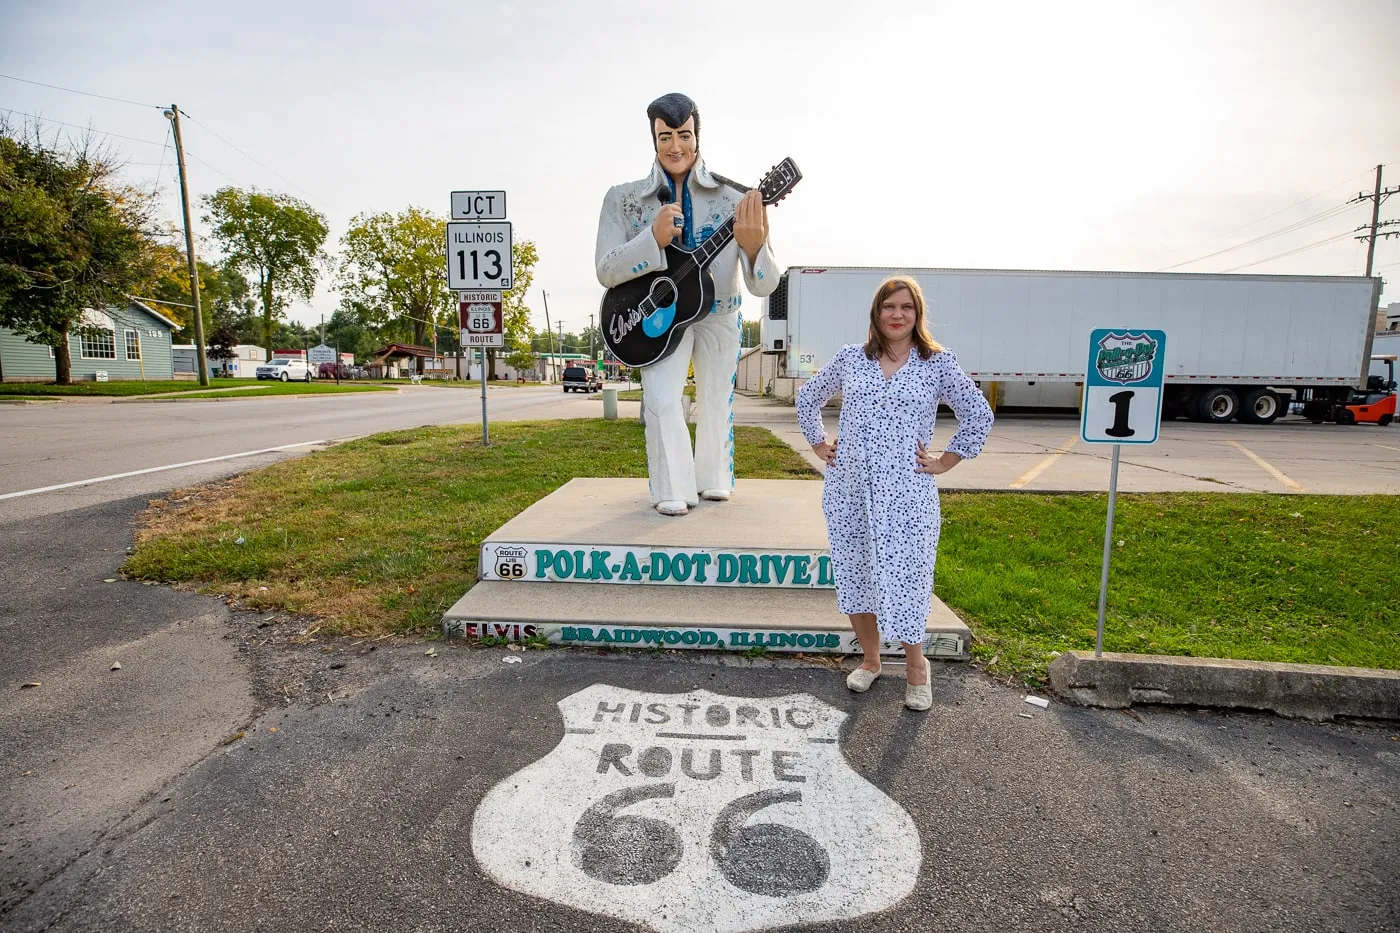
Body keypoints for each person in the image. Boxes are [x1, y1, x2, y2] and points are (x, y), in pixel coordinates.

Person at [795, 276, 994, 711]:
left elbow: (978, 415)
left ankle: (916, 669)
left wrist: (945, 461)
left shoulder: (937, 364)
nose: (898, 314)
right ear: (877, 313)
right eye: (890, 307)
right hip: (850, 489)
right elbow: (808, 398)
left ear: (917, 314)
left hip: (908, 494)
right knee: (856, 574)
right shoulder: (852, 359)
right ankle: (870, 660)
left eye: (906, 307)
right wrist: (818, 443)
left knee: (909, 578)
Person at [595, 92, 779, 516]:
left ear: (697, 136)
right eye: (665, 137)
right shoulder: (623, 200)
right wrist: (651, 241)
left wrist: (754, 249)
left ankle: (714, 478)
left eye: (683, 135)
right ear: (653, 140)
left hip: (720, 313)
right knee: (662, 400)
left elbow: (765, 284)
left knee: (716, 397)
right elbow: (606, 270)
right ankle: (671, 487)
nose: (675, 146)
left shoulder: (737, 198)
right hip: (656, 315)